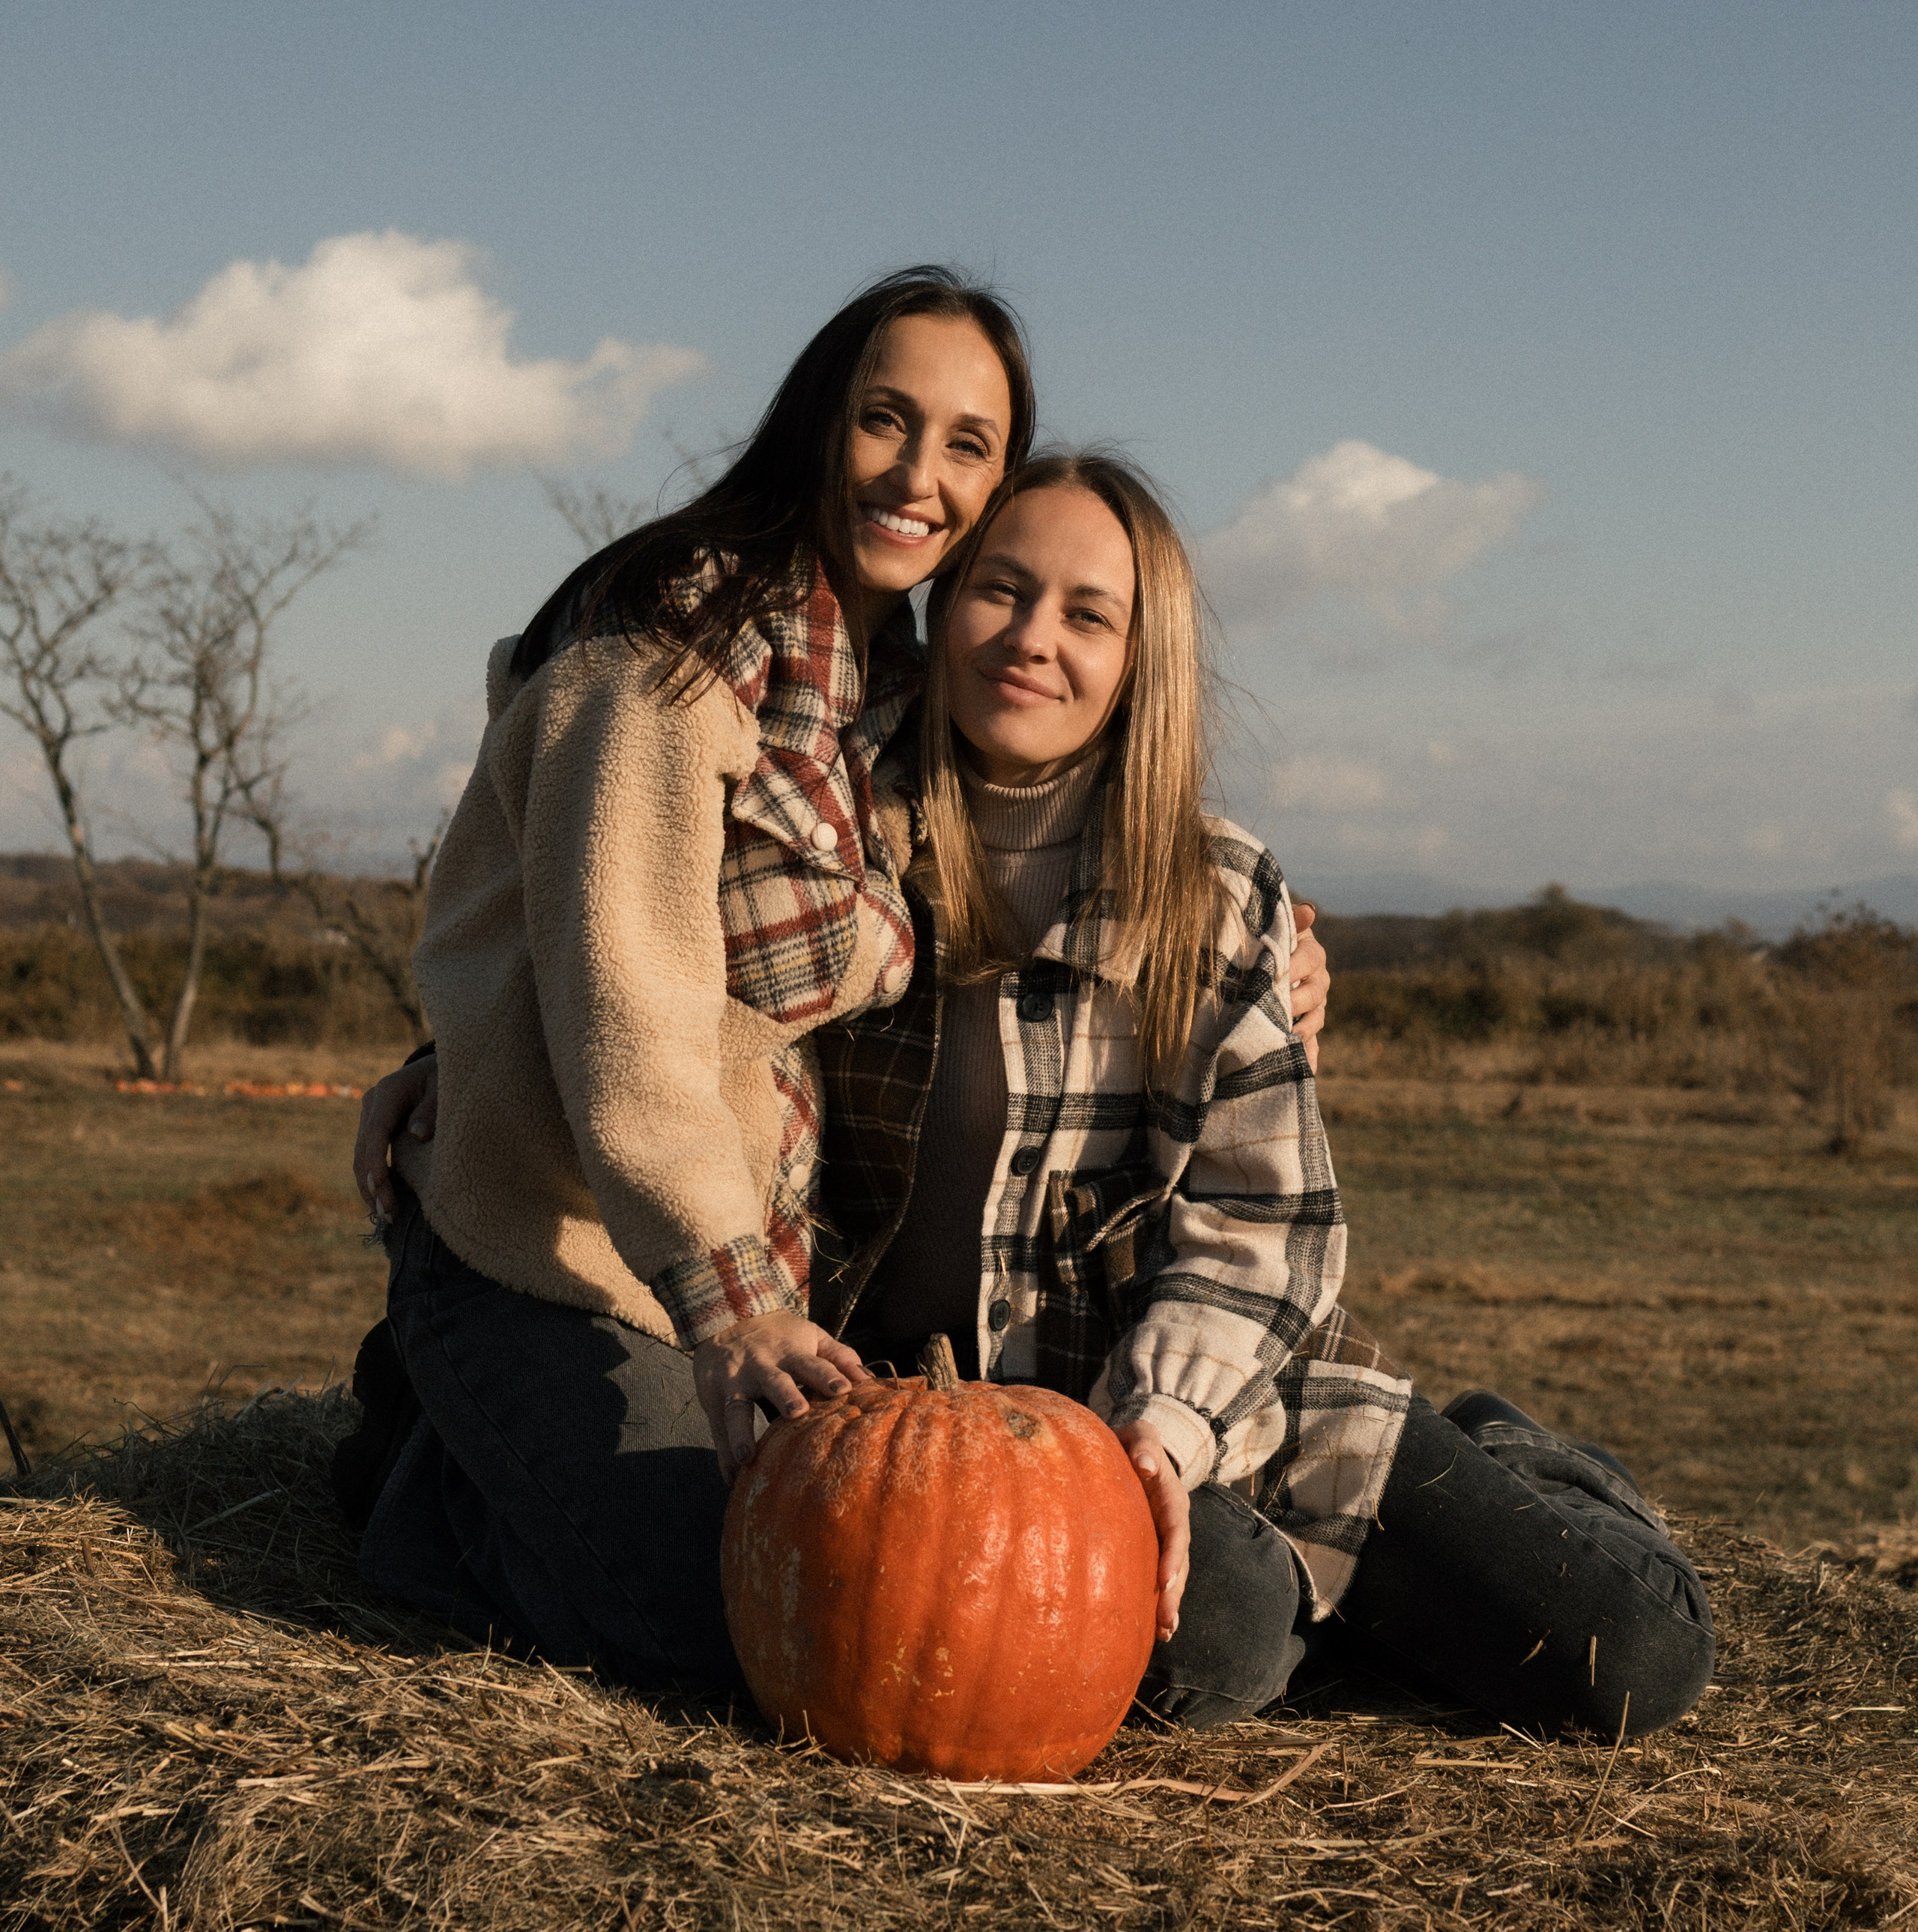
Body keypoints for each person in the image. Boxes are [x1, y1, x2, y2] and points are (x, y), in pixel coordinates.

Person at [336, 264, 1335, 1691]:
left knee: (830, 1605)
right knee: (719, 1629)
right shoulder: (660, 654)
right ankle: (425, 1477)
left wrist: (1277, 941)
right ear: (820, 419)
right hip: (554, 1254)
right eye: (886, 418)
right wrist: (730, 1300)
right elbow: (621, 1000)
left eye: (967, 446)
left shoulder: (876, 685)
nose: (919, 473)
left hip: (715, 1272)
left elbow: (1072, 804)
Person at [809, 450, 1716, 1740]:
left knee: (1629, 1659)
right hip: (943, 1446)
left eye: (1087, 614)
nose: (1030, 639)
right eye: (998, 591)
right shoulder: (823, 858)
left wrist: (1163, 1440)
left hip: (1213, 1400)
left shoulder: (1212, 890)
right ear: (940, 607)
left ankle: (1506, 1459)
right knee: (1202, 1653)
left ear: (1141, 659)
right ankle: (1288, 1601)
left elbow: (1265, 1221)